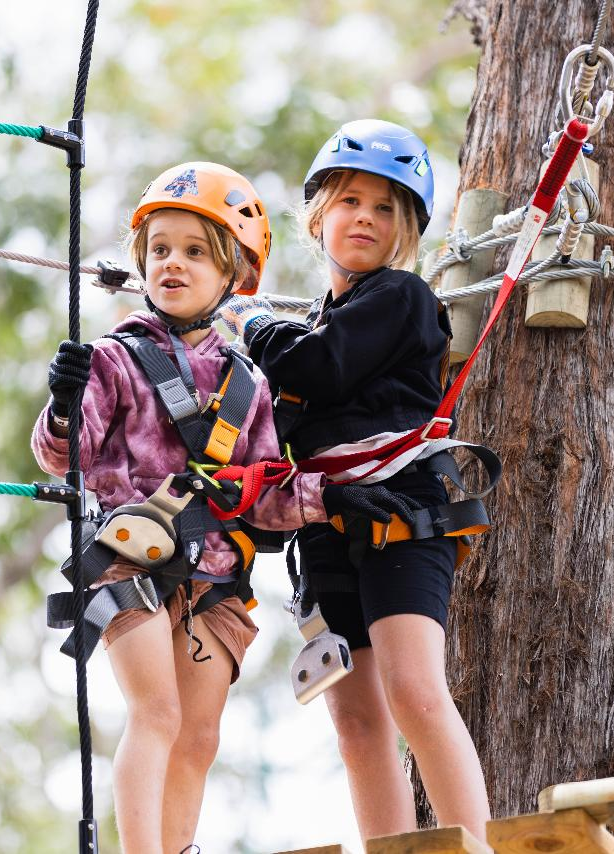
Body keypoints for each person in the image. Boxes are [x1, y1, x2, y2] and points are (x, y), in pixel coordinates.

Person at [32, 161, 416, 854]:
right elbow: (68, 457)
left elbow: (264, 493)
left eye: (193, 251)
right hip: (130, 555)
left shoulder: (249, 381)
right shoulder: (116, 359)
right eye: (159, 250)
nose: (171, 264)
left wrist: (331, 498)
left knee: (200, 733)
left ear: (235, 275)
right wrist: (63, 406)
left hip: (215, 575)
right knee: (156, 712)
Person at [219, 121, 494, 843]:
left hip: (405, 513)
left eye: (384, 208)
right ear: (318, 217)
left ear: (405, 231)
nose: (365, 217)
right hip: (330, 526)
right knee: (355, 721)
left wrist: (250, 321)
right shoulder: (313, 323)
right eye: (349, 201)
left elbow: (321, 368)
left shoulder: (399, 298)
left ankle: (476, 841)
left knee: (414, 691)